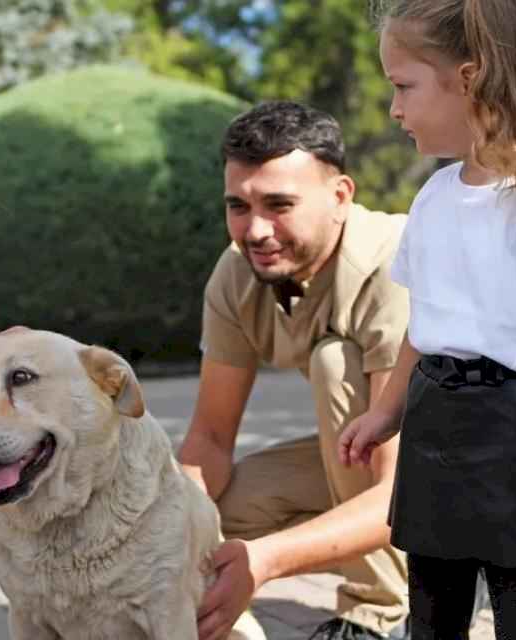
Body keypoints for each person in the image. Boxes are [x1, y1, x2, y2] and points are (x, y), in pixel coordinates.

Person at [338, 1, 516, 638]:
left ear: (468, 79)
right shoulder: (434, 200)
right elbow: (425, 326)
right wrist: (387, 411)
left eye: (403, 86)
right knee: (432, 607)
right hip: (436, 426)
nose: (394, 108)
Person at [181, 101, 411, 640]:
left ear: (340, 197)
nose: (255, 230)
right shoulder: (238, 274)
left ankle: (382, 615)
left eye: (279, 204)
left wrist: (266, 561)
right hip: (373, 461)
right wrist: (159, 531)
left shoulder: (393, 265)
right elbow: (210, 439)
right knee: (213, 518)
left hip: (463, 473)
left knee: (336, 363)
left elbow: (397, 491)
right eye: (238, 206)